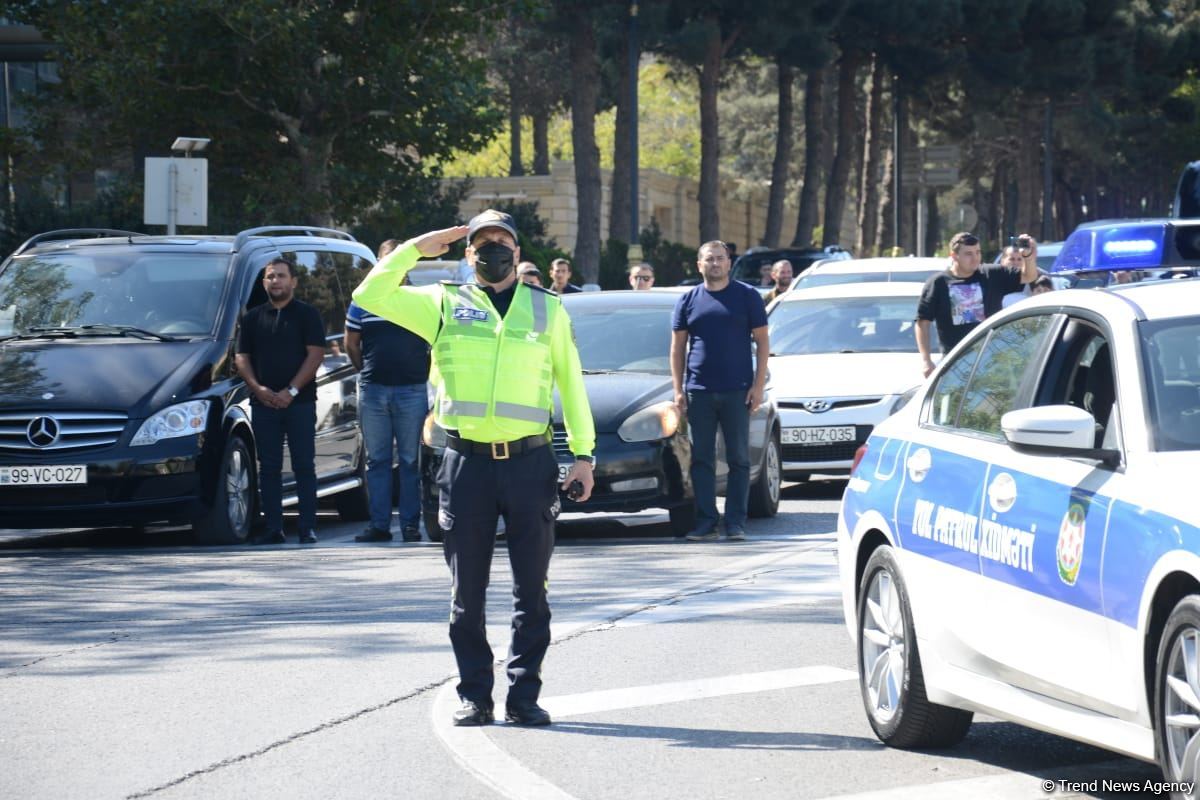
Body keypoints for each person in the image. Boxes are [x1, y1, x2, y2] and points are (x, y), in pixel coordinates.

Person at [352, 209, 595, 729]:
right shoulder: (443, 302)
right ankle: (475, 696)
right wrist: (418, 244)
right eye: (482, 243)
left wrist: (584, 455)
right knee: (467, 595)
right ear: (468, 254)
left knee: (532, 590)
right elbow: (369, 296)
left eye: (502, 242)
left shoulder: (547, 309)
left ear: (517, 251)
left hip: (530, 463)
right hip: (465, 466)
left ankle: (524, 695)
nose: (492, 251)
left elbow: (571, 385)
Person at [670, 240, 769, 543]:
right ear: (699, 265)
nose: (715, 264)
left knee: (739, 458)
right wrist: (679, 389)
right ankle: (706, 522)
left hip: (737, 391)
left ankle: (735, 522)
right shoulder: (688, 301)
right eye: (709, 259)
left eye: (720, 259)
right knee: (702, 459)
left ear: (729, 263)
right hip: (699, 390)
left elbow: (763, 343)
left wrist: (757, 385)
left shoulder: (747, 297)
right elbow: (677, 347)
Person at [344, 239, 431, 544]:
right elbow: (351, 343)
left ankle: (410, 525)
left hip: (412, 390)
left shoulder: (420, 299)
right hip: (374, 390)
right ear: (378, 264)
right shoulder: (363, 301)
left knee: (410, 461)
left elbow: (434, 342)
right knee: (377, 461)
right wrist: (367, 372)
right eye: (386, 259)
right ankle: (379, 525)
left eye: (398, 259)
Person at [235, 257, 325, 545]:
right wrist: (258, 389)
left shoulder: (307, 315)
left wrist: (292, 391)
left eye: (281, 276)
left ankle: (307, 527)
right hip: (264, 405)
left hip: (300, 403)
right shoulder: (251, 318)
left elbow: (315, 355)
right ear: (264, 282)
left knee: (303, 466)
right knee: (269, 467)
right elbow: (241, 357)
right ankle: (273, 528)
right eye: (271, 277)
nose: (276, 281)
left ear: (293, 281)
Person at [916, 231, 1038, 377]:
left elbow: (1028, 276)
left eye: (978, 252)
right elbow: (923, 322)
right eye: (968, 254)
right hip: (955, 364)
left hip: (994, 361)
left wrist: (1028, 257)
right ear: (954, 256)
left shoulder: (992, 274)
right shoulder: (938, 283)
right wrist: (926, 360)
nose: (975, 258)